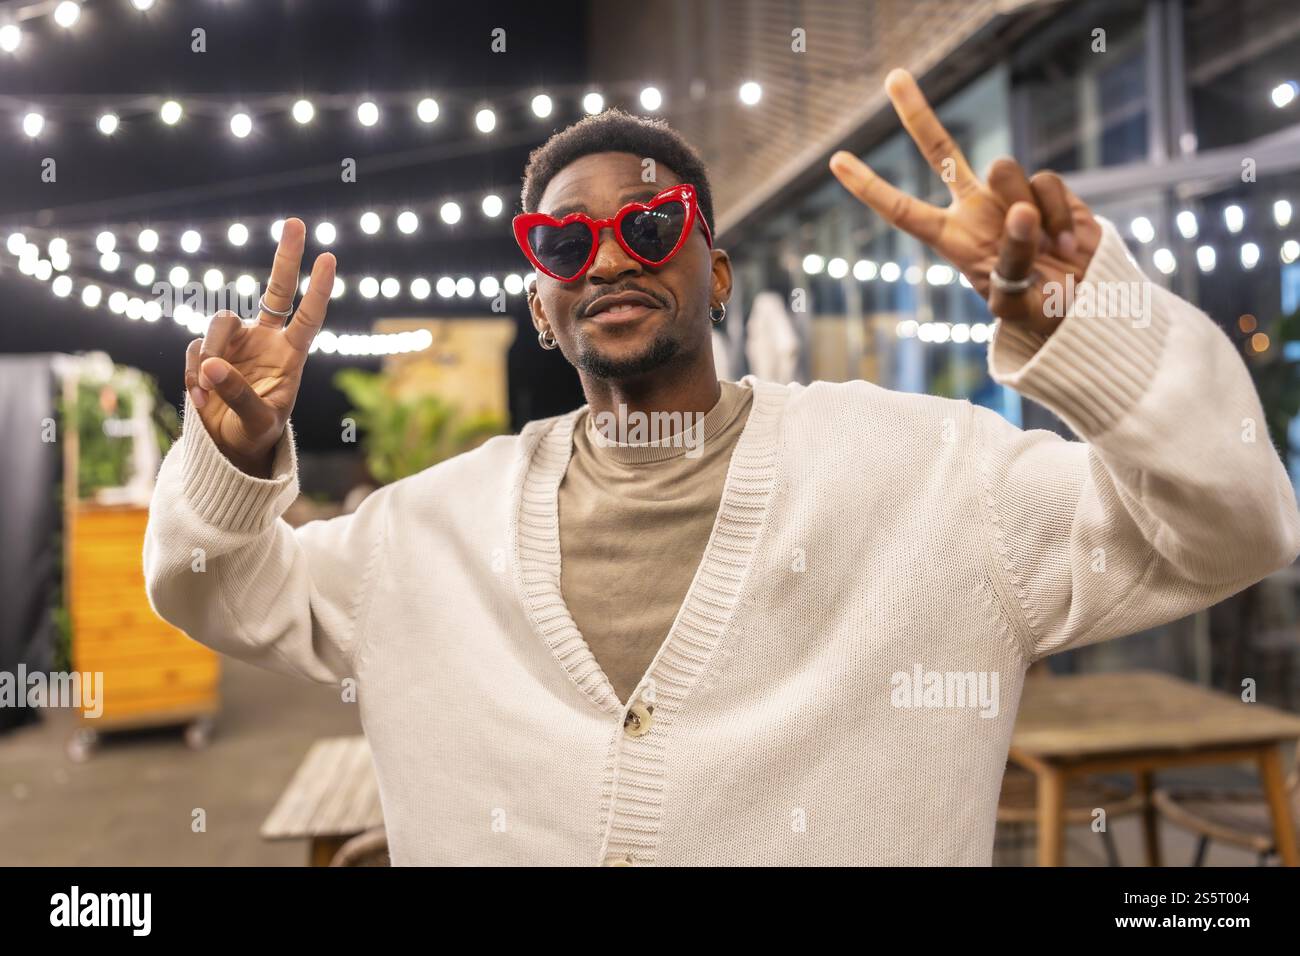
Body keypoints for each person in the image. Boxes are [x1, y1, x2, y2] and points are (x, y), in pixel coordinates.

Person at [144, 69, 1300, 865]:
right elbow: (214, 589)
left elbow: (1236, 521)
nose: (607, 254)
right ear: (541, 307)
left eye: (651, 224)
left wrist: (1081, 322)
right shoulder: (419, 535)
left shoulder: (938, 482)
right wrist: (236, 456)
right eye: (562, 240)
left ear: (718, 268)